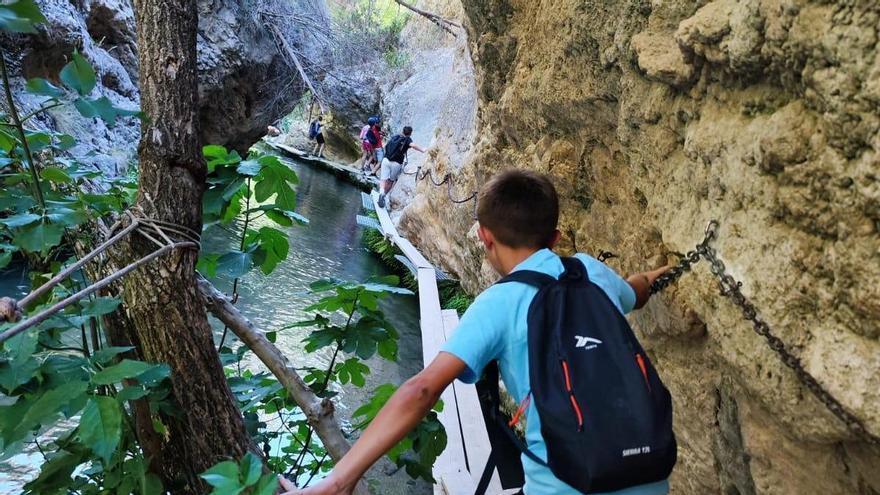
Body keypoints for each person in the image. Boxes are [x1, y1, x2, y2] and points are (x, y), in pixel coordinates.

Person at [280, 170, 673, 495]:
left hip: (568, 485)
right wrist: (665, 274)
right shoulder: (591, 272)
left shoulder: (499, 303)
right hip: (650, 474)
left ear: (485, 238)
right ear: (554, 239)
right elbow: (633, 291)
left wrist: (339, 481)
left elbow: (422, 390)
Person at [377, 126, 424, 208]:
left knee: (383, 179)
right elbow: (413, 145)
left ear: (402, 131)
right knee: (391, 181)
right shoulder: (407, 139)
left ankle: (381, 193)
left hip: (386, 160)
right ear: (410, 133)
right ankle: (384, 195)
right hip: (396, 163)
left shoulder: (395, 136)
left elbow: (387, 146)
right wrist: (423, 150)